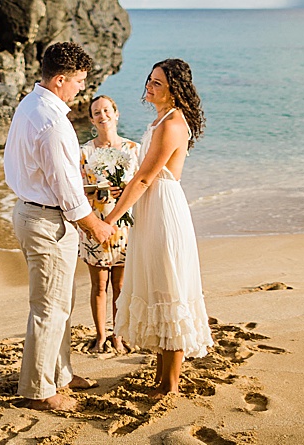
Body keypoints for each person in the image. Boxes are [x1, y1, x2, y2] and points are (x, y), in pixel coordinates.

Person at [3, 41, 116, 412]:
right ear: (60, 79)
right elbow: (65, 188)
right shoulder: (53, 123)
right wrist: (94, 225)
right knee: (49, 308)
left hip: (32, 211)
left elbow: (45, 174)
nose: (82, 88)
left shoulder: (30, 103)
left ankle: (61, 374)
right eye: (79, 81)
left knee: (60, 304)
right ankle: (37, 391)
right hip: (45, 220)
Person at [104, 58, 214, 396]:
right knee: (155, 285)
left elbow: (146, 177)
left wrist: (110, 219)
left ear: (173, 90)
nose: (149, 87)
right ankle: (160, 374)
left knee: (169, 287)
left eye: (157, 83)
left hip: (164, 208)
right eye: (150, 80)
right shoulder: (160, 120)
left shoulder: (171, 124)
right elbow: (141, 176)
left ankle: (170, 383)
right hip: (151, 207)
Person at [78, 94, 140, 355]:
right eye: (97, 112)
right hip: (95, 223)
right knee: (99, 285)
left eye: (106, 110)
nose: (102, 116)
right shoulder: (84, 151)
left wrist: (123, 192)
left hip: (125, 226)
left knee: (121, 286)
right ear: (92, 119)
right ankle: (101, 334)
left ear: (116, 114)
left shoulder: (133, 149)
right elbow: (76, 190)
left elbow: (142, 185)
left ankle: (118, 334)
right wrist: (96, 193)